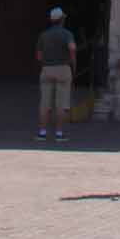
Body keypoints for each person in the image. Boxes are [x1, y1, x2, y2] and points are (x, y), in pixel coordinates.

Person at [35, 7, 77, 141]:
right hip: (63, 68)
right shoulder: (67, 34)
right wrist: (72, 60)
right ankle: (59, 133)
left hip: (47, 69)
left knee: (45, 104)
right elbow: (72, 48)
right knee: (62, 104)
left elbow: (39, 56)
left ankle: (42, 132)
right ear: (62, 19)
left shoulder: (44, 35)